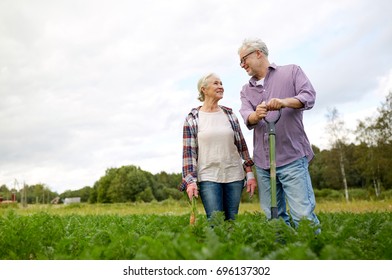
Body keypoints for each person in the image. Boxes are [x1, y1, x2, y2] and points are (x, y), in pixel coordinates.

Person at [237, 38, 320, 230]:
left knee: (303, 216)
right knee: (274, 219)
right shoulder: (246, 90)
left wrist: (284, 102)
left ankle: (312, 255)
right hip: (264, 164)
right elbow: (246, 115)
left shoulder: (291, 72)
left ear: (258, 53)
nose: (242, 65)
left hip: (291, 157)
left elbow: (309, 96)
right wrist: (255, 115)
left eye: (244, 59)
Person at [180, 73, 257, 221]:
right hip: (208, 175)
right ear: (204, 89)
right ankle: (216, 245)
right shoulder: (193, 118)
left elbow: (241, 146)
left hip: (234, 175)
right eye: (216, 83)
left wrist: (250, 173)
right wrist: (190, 182)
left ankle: (230, 245)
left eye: (221, 83)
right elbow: (188, 154)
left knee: (231, 221)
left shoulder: (229, 114)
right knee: (215, 221)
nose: (220, 86)